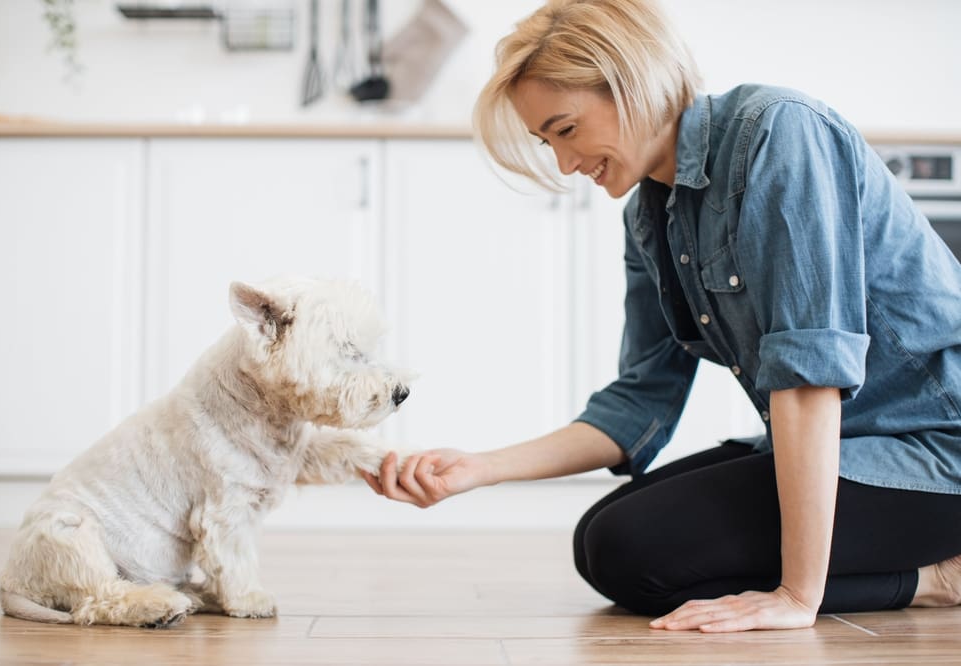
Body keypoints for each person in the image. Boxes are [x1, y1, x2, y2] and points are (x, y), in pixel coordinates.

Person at [362, 0, 961, 633]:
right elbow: (639, 403)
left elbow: (808, 377)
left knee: (637, 548)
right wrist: (479, 469)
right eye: (548, 142)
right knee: (601, 541)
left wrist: (796, 595)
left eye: (566, 130)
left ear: (631, 80)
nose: (565, 165)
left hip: (934, 451)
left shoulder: (779, 133)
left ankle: (935, 579)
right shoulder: (649, 215)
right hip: (850, 446)